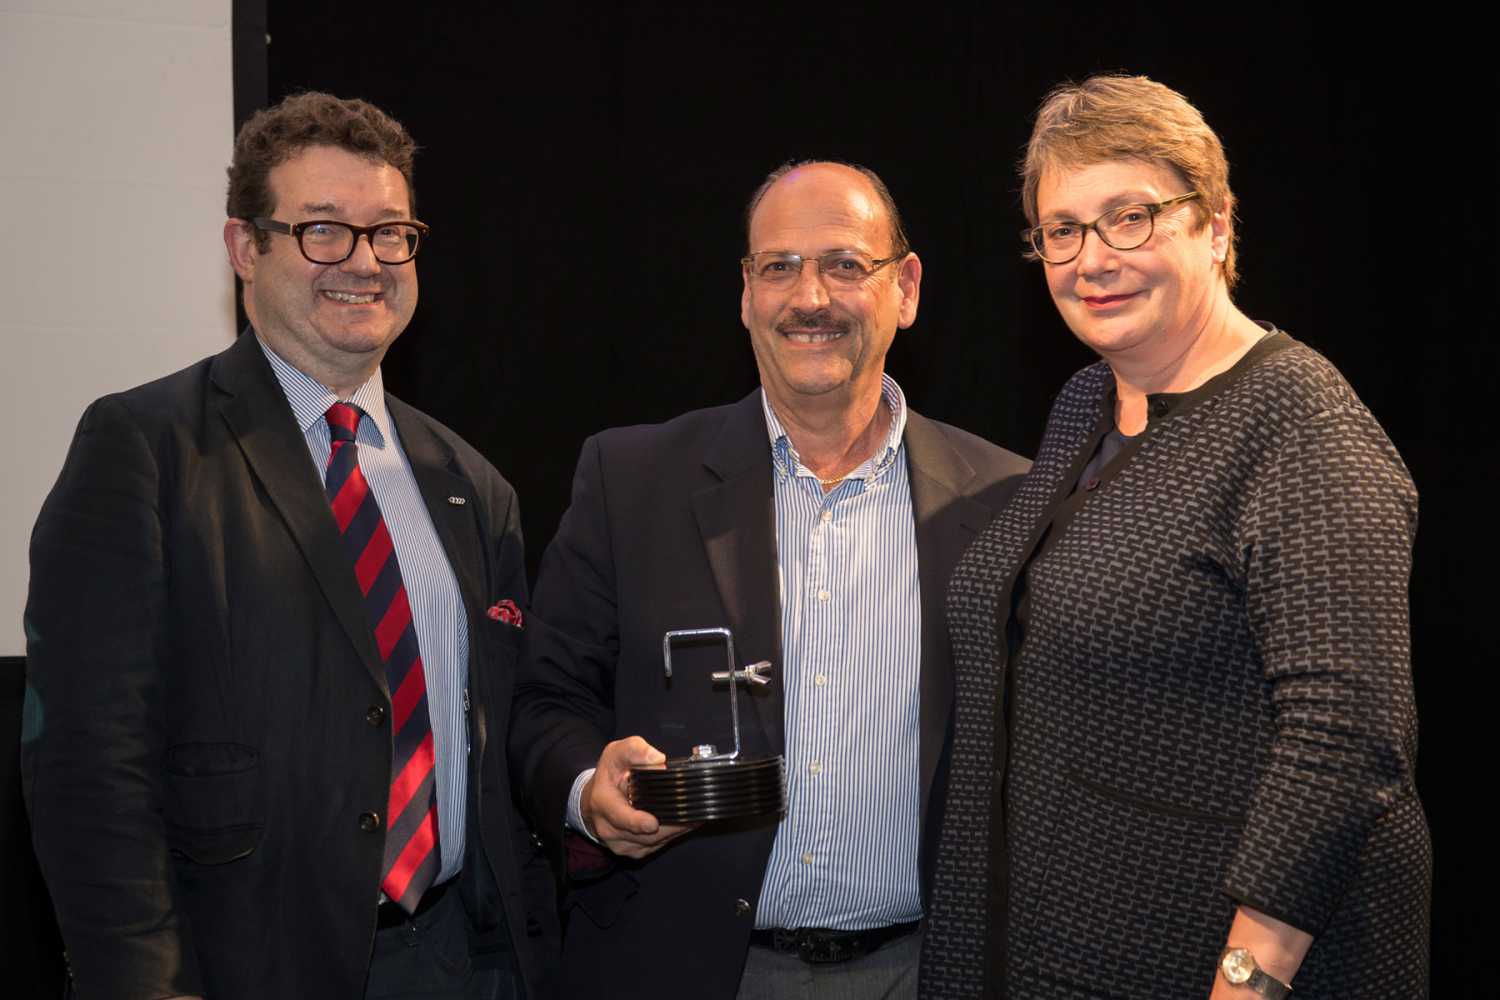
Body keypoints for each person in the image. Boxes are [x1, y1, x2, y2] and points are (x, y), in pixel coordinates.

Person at [22, 92, 556, 999]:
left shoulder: (472, 485)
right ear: (245, 248)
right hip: (238, 966)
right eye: (322, 230)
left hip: (461, 962)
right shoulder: (144, 450)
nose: (363, 261)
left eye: (390, 232)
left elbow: (498, 739)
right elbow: (89, 768)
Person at [920, 75, 1431, 999]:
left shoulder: (1301, 424)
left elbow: (1348, 740)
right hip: (1053, 954)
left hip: (1214, 972)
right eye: (1062, 230)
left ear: (1218, 226)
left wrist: (1247, 980)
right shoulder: (1086, 404)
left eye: (1131, 216)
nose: (1092, 258)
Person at [509, 161, 1029, 999]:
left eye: (845, 265)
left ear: (906, 288)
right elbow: (542, 703)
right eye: (780, 266)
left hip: (928, 973)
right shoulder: (631, 480)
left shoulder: (1007, 498)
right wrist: (583, 787)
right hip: (684, 970)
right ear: (746, 292)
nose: (809, 297)